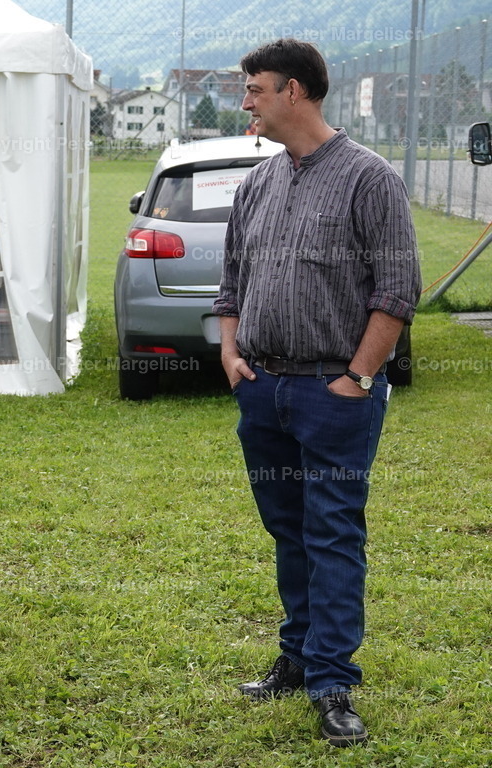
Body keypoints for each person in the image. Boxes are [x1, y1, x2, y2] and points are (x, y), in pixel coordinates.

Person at [213, 38, 421, 748]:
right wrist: (231, 353)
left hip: (335, 393)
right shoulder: (258, 184)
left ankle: (332, 681)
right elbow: (231, 282)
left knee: (332, 533)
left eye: (255, 90)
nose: (247, 102)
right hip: (263, 390)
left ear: (295, 91)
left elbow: (397, 291)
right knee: (288, 531)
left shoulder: (370, 179)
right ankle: (298, 658)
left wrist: (357, 378)